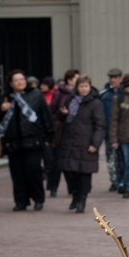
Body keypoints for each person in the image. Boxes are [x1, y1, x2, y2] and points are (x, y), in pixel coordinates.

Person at [0, 69, 54, 211]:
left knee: (33, 169)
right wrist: (2, 109)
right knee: (17, 173)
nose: (20, 82)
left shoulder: (35, 94)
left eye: (22, 79)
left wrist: (49, 136)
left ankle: (38, 198)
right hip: (13, 141)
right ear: (11, 83)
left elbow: (46, 116)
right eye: (16, 80)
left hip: (33, 139)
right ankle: (21, 201)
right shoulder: (6, 97)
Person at [57, 74, 105, 213]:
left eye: (86, 86)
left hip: (86, 142)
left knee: (84, 174)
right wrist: (63, 113)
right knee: (69, 172)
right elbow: (61, 119)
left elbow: (100, 125)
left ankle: (82, 199)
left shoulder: (95, 103)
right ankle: (74, 195)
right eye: (81, 86)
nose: (83, 89)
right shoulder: (71, 99)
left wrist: (95, 144)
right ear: (76, 87)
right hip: (69, 142)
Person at [48, 68, 80, 197]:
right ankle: (53, 187)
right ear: (69, 80)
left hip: (75, 131)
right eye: (76, 79)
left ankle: (72, 188)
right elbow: (52, 110)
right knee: (57, 161)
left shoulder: (79, 93)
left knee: (70, 162)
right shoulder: (59, 93)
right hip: (60, 130)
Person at [100, 68, 124, 192]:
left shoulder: (125, 93)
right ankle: (115, 181)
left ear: (120, 78)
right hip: (108, 131)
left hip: (124, 132)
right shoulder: (103, 94)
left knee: (124, 158)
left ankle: (123, 180)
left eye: (115, 77)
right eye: (111, 77)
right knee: (111, 158)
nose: (113, 80)